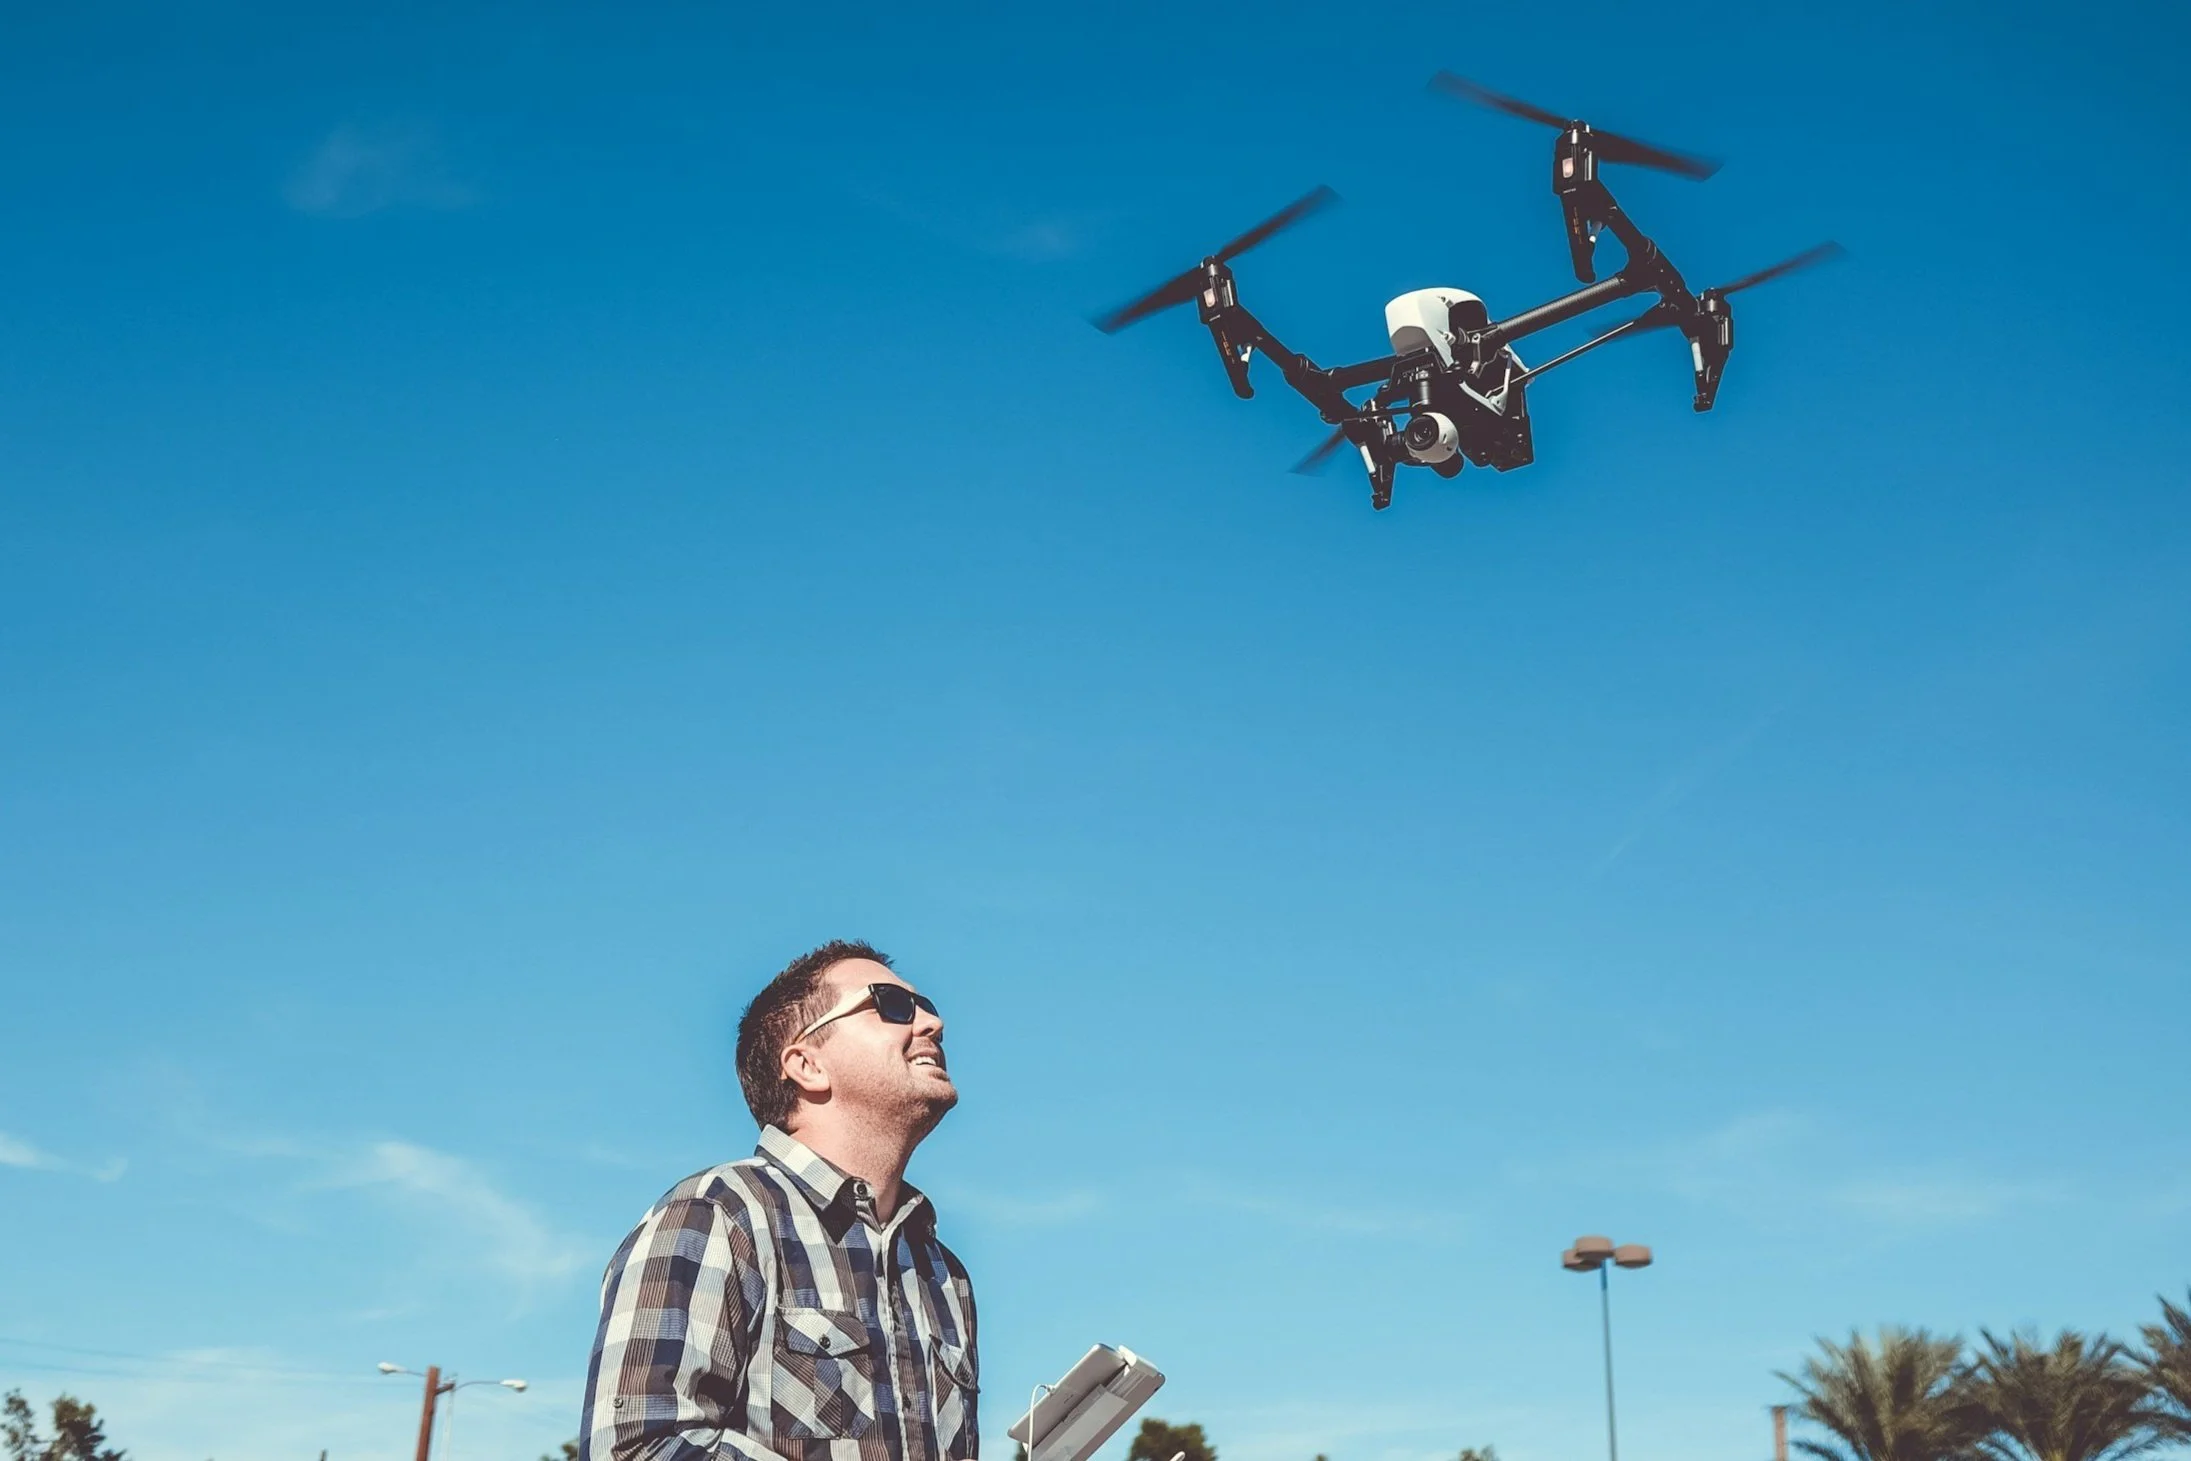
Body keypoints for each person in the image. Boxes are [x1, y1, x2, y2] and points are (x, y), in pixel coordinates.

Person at [582, 940, 975, 1461]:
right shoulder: (719, 1216)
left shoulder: (944, 1273)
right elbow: (638, 1447)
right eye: (892, 1006)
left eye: (927, 1006)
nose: (932, 1022)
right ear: (806, 1064)